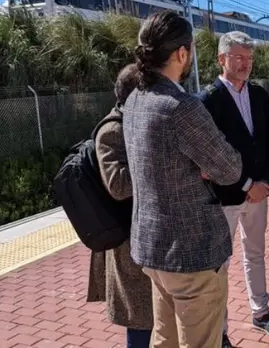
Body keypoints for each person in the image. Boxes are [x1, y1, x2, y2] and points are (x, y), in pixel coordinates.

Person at [123, 10, 245, 348]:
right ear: (181, 53)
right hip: (192, 253)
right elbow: (229, 169)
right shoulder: (180, 106)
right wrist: (206, 164)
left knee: (164, 339)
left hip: (153, 247)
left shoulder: (135, 100)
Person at [197, 31, 269, 345]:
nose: (245, 64)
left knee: (256, 254)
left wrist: (265, 182)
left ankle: (261, 313)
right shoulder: (207, 99)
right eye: (238, 57)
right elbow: (210, 156)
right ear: (221, 59)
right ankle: (220, 332)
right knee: (219, 264)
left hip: (258, 194)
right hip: (224, 198)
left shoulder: (260, 95)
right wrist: (247, 184)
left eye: (249, 58)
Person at [87, 63, 153, 347]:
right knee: (140, 322)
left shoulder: (136, 122)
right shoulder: (112, 130)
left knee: (156, 319)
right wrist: (156, 162)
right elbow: (118, 185)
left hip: (146, 237)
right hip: (128, 244)